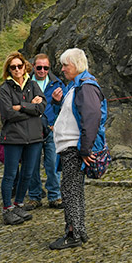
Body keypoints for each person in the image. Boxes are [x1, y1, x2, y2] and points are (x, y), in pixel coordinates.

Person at [49, 48, 106, 250]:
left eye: (66, 65)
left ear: (76, 65)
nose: (62, 69)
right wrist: (57, 102)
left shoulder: (86, 87)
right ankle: (78, 230)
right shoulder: (76, 86)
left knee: (70, 190)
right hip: (72, 147)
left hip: (75, 148)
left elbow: (91, 118)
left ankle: (73, 233)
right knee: (73, 189)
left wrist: (85, 149)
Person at [0, 51, 46, 225]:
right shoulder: (4, 89)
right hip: (13, 138)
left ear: (25, 66)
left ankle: (18, 204)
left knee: (27, 173)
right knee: (10, 175)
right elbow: (8, 114)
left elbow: (42, 107)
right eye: (13, 67)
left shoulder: (32, 85)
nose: (17, 69)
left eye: (20, 66)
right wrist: (30, 109)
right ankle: (7, 208)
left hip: (33, 138)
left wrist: (21, 107)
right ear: (9, 70)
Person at [25, 54, 65, 210]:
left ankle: (55, 196)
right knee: (32, 166)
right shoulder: (25, 84)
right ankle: (35, 196)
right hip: (32, 130)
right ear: (33, 66)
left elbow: (64, 107)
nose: (42, 70)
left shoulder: (57, 84)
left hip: (50, 130)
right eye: (39, 67)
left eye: (46, 68)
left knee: (53, 164)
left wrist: (56, 122)